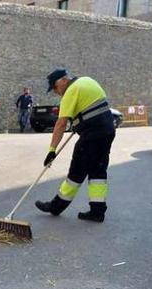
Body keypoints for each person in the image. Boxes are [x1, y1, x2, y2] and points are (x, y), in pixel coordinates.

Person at [35, 68, 115, 222]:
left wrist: (52, 150)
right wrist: (80, 122)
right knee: (98, 171)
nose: (56, 92)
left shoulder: (71, 91)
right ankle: (97, 212)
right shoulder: (88, 80)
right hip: (108, 131)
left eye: (56, 88)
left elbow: (61, 124)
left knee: (76, 173)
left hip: (92, 135)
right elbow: (92, 107)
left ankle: (56, 207)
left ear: (63, 81)